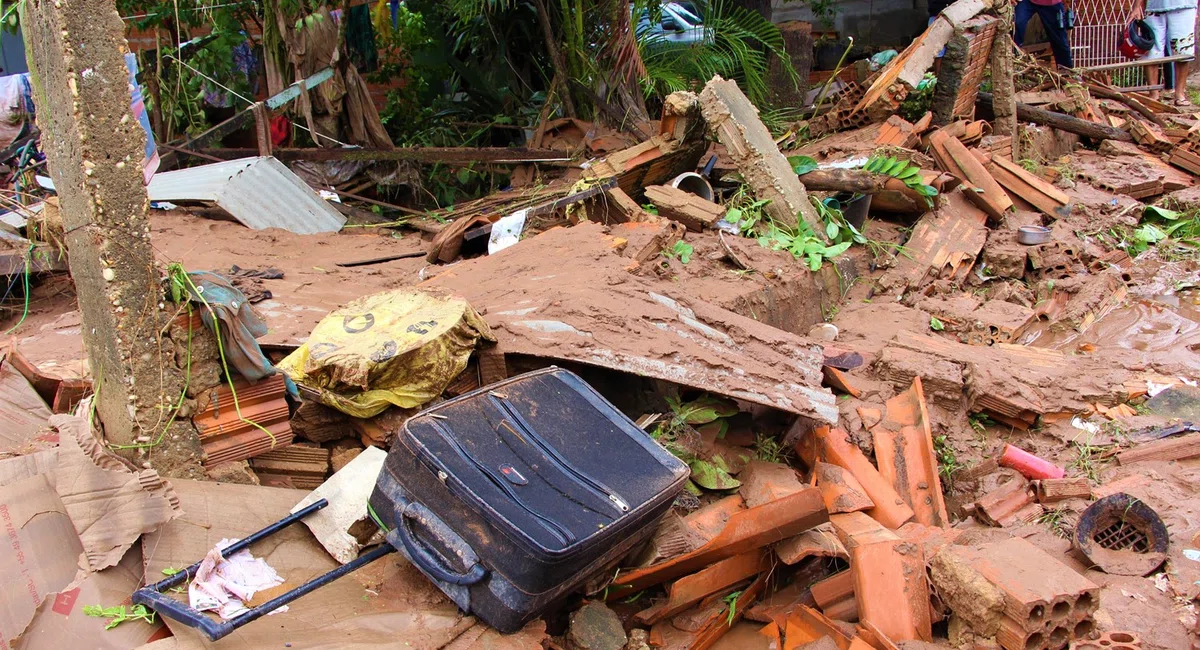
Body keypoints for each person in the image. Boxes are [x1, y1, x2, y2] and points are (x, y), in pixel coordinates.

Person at [1134, 0, 1197, 105]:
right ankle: (1153, 95)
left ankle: (1179, 94)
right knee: (1151, 50)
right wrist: (1136, 6)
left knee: (1183, 50)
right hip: (1154, 7)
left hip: (1185, 5)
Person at [1013, 0, 1074, 69]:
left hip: (1052, 3)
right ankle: (1014, 59)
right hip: (1028, 2)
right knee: (1016, 23)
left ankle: (1066, 70)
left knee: (1060, 37)